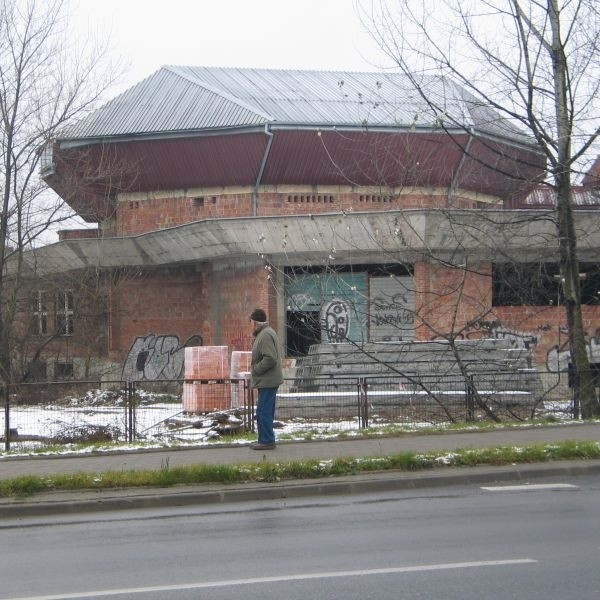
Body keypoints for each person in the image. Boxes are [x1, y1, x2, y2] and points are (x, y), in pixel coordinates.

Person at [249, 308, 283, 450]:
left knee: (264, 412)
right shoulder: (265, 333)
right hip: (267, 380)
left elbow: (270, 358)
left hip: (268, 380)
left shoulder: (265, 335)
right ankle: (264, 439)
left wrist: (256, 369)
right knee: (263, 411)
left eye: (250, 322)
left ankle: (267, 441)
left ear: (256, 322)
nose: (250, 325)